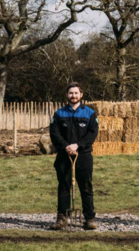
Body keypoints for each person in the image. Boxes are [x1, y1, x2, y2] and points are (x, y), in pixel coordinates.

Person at [49, 82, 99, 230]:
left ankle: (89, 218)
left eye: (76, 93)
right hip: (64, 156)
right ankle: (62, 217)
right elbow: (54, 133)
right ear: (67, 95)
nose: (73, 96)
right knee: (64, 186)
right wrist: (66, 146)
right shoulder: (59, 114)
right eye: (71, 93)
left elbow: (93, 133)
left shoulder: (89, 113)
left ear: (81, 95)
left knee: (86, 186)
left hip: (83, 155)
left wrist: (78, 145)